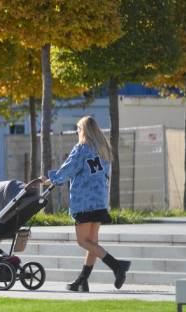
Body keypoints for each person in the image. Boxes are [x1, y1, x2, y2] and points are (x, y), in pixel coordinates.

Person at [41, 116, 131, 292]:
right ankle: (82, 280)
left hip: (84, 200)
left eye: (78, 129)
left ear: (84, 130)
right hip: (99, 199)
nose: (77, 132)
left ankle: (116, 265)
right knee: (92, 242)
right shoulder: (103, 148)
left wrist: (50, 180)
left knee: (83, 241)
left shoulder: (82, 148)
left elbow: (69, 169)